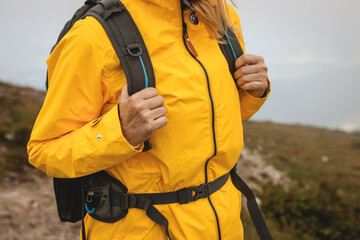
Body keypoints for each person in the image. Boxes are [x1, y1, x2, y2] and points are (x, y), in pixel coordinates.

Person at [27, 0, 270, 239]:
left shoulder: (219, 15)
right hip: (139, 227)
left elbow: (209, 121)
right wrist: (121, 133)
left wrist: (253, 91)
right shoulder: (93, 35)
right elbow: (44, 150)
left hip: (224, 222)